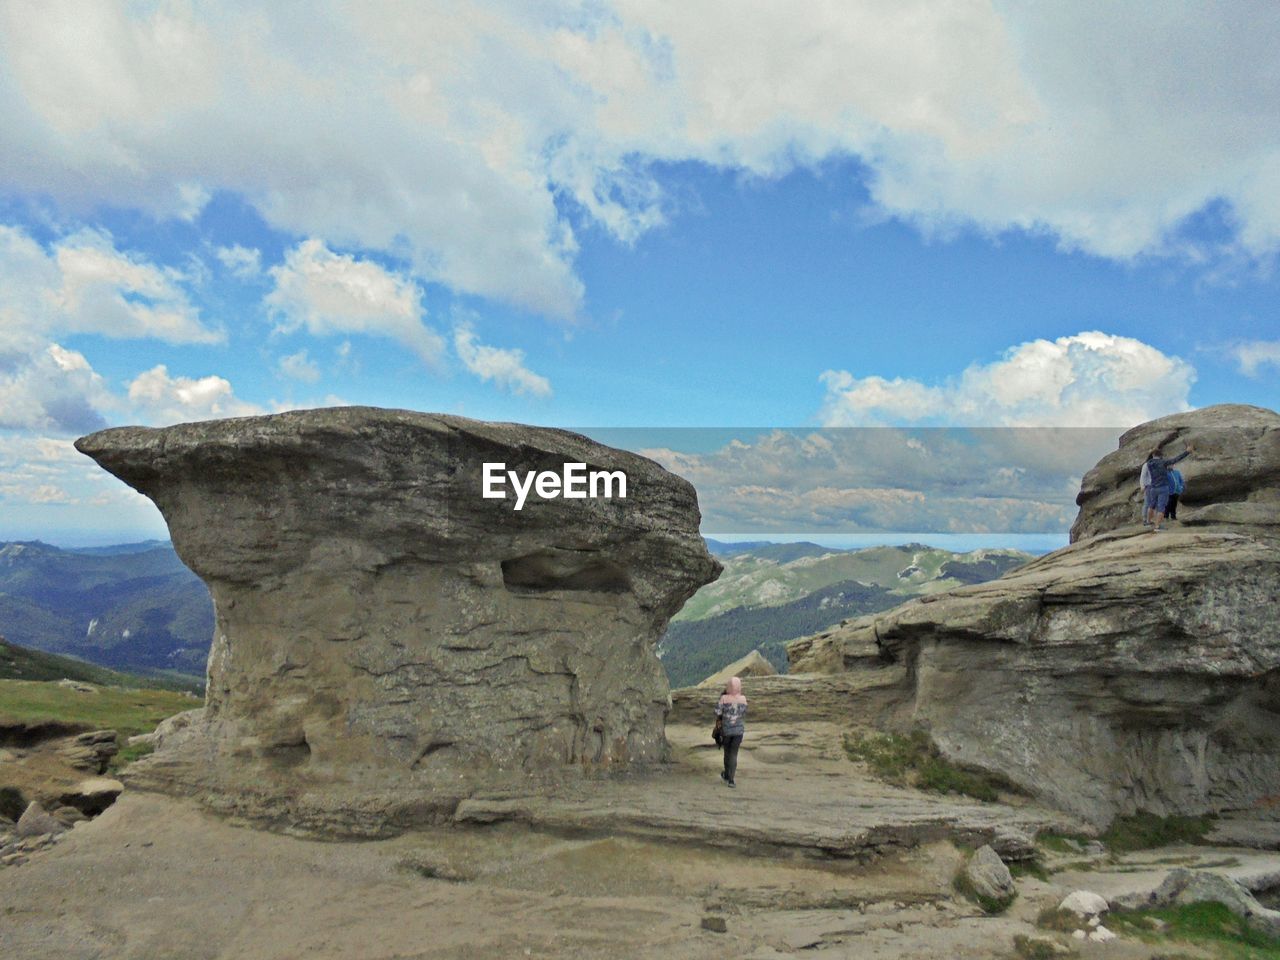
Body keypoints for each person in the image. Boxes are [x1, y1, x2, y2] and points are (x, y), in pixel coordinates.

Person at [1145, 444, 1193, 532]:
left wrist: (1152, 451)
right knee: (1161, 507)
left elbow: (1149, 458)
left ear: (1153, 455)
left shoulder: (1149, 463)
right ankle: (1157, 526)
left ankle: (1148, 522)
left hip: (1153, 487)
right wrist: (1187, 452)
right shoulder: (1163, 462)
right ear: (1161, 456)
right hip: (1163, 487)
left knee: (1151, 505)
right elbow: (1176, 459)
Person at [714, 676, 748, 788]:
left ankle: (727, 775)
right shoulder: (743, 699)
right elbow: (744, 713)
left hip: (726, 730)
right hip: (739, 731)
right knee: (734, 754)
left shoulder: (724, 698)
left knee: (727, 753)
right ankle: (732, 780)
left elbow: (717, 711)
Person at [1139, 459, 1152, 525]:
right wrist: (1142, 486)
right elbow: (1142, 476)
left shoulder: (1154, 464)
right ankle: (1145, 519)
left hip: (1154, 485)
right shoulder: (1146, 465)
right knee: (1147, 503)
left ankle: (1149, 519)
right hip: (1148, 486)